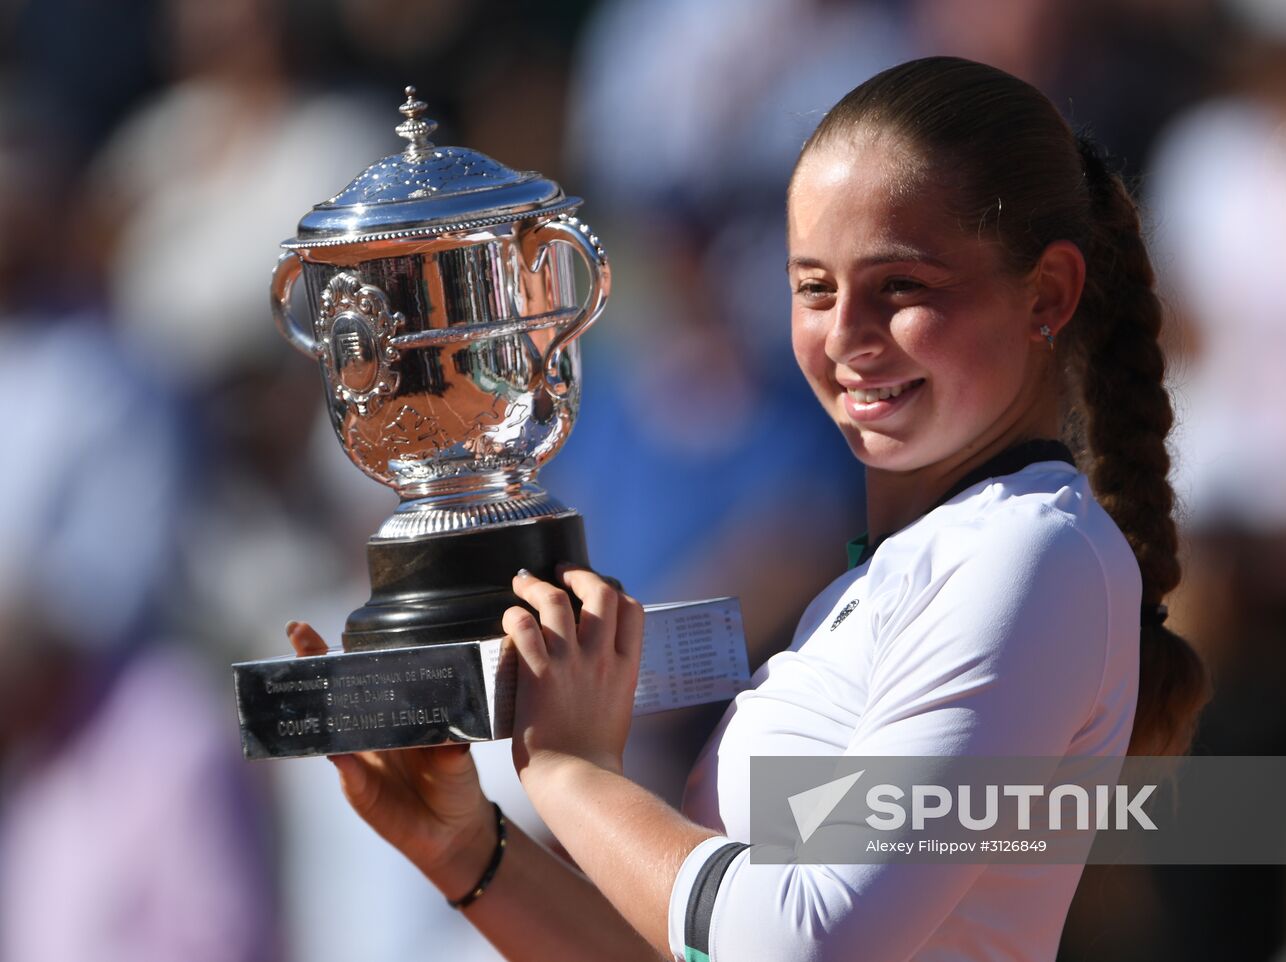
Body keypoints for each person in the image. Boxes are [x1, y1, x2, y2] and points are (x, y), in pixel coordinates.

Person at [287, 56, 1210, 961]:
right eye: (814, 287)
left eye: (902, 287)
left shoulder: (1029, 552)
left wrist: (569, 773)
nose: (845, 336)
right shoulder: (910, 573)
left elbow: (803, 939)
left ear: (1046, 292)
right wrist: (471, 853)